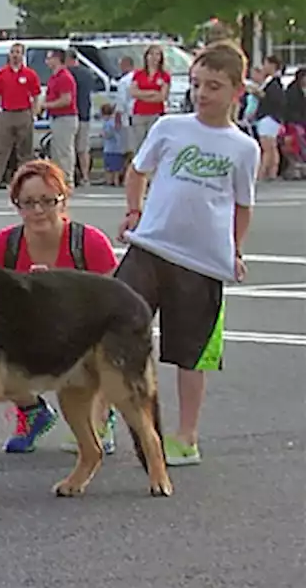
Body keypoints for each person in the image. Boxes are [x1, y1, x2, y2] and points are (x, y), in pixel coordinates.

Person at [115, 41, 260, 467]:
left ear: (236, 91)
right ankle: (99, 419)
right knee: (111, 332)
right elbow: (138, 170)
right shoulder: (169, 127)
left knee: (190, 352)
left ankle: (186, 435)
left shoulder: (243, 148)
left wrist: (234, 250)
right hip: (151, 248)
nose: (202, 94)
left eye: (214, 86)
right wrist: (134, 210)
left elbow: (241, 205)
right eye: (197, 84)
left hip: (201, 262)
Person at [0, 159, 120, 454]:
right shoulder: (2, 246)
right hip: (28, 333)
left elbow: (114, 306)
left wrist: (61, 293)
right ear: (16, 205)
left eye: (47, 201)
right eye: (28, 202)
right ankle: (31, 412)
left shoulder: (89, 243)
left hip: (84, 333)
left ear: (63, 200)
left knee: (109, 350)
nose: (38, 211)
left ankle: (103, 412)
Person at [0, 42, 41, 190]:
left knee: (25, 152)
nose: (15, 55)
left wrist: (33, 114)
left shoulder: (29, 74)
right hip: (7, 114)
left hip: (23, 113)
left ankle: (25, 184)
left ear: (22, 55)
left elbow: (36, 95)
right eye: (13, 52)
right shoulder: (2, 74)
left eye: (18, 52)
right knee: (1, 151)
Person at [128, 44, 171, 158]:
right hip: (139, 112)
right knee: (139, 144)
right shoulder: (138, 74)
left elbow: (162, 96)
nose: (154, 57)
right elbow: (133, 92)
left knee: (154, 143)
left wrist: (143, 94)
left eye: (157, 54)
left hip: (155, 113)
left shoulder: (164, 75)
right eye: (151, 54)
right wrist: (151, 93)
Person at [42, 50, 78, 183]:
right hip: (56, 118)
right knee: (56, 151)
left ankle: (67, 179)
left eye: (49, 58)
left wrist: (46, 105)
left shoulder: (64, 77)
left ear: (57, 59)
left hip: (65, 118)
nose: (46, 61)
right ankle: (58, 178)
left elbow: (66, 100)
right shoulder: (54, 77)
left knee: (64, 151)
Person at [65, 49, 97, 187]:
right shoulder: (88, 74)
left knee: (70, 148)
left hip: (70, 113)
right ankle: (85, 177)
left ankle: (71, 175)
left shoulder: (67, 74)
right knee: (83, 149)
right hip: (85, 113)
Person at [253, 55, 286, 181]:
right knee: (272, 147)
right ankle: (272, 172)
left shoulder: (274, 82)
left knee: (267, 147)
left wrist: (260, 94)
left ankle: (262, 173)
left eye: (266, 64)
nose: (264, 67)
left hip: (269, 117)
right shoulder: (273, 81)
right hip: (272, 118)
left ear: (272, 65)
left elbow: (274, 99)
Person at [100, 102, 128, 187]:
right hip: (118, 148)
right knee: (117, 168)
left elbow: (108, 134)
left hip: (110, 149)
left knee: (109, 168)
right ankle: (116, 182)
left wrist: (102, 134)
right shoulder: (116, 122)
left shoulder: (108, 123)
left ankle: (110, 181)